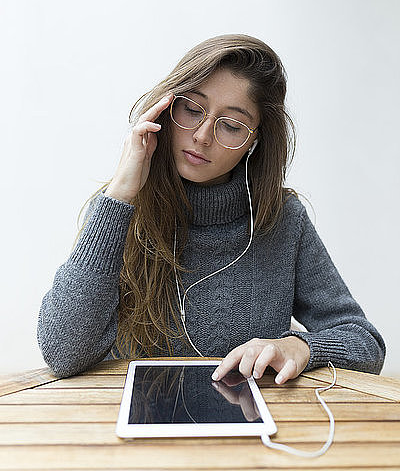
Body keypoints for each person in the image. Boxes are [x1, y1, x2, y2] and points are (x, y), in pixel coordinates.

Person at [37, 34, 386, 381]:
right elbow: (63, 352)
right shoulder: (121, 211)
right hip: (135, 427)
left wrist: (302, 347)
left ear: (254, 140)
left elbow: (365, 343)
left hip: (250, 428)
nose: (202, 136)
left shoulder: (282, 219)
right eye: (191, 110)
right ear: (166, 108)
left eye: (231, 126)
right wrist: (117, 198)